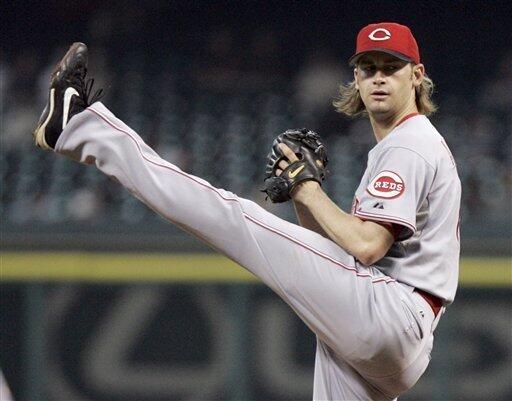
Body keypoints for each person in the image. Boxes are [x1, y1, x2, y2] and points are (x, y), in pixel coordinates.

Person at [33, 22, 461, 401]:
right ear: (356, 77)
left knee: (234, 215)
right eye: (369, 68)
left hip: (390, 313)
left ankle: (80, 128)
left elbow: (366, 247)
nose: (379, 78)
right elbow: (338, 254)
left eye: (392, 67)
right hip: (397, 338)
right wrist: (300, 194)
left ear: (417, 76)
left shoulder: (409, 144)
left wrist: (307, 188)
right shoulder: (405, 144)